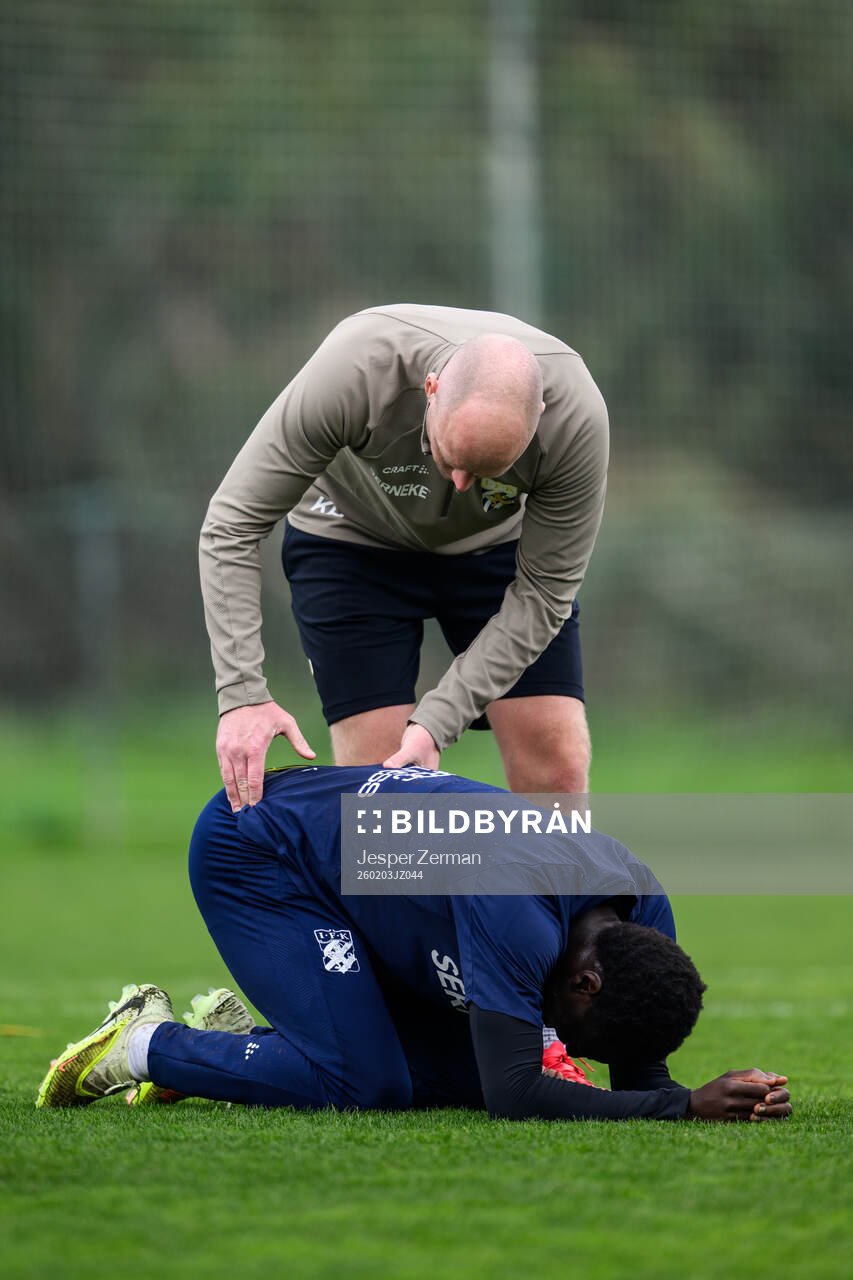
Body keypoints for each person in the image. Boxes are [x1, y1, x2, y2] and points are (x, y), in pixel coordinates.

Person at [37, 765, 792, 1123]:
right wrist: (679, 1108)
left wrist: (709, 1098)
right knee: (369, 1084)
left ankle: (259, 1048)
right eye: (574, 1031)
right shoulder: (517, 909)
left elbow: (634, 1069)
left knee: (453, 1078)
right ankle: (144, 1044)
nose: (565, 1040)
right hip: (262, 854)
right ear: (584, 984)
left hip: (357, 881)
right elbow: (515, 1094)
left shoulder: (641, 913)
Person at [200, 304, 610, 813]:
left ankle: (555, 871)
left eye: (487, 471)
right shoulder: (355, 369)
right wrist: (242, 695)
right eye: (451, 456)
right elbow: (232, 524)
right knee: (387, 801)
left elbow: (544, 595)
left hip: (497, 549)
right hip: (350, 539)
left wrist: (437, 723)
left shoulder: (576, 419)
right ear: (430, 389)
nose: (460, 484)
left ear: (540, 415)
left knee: (557, 776)